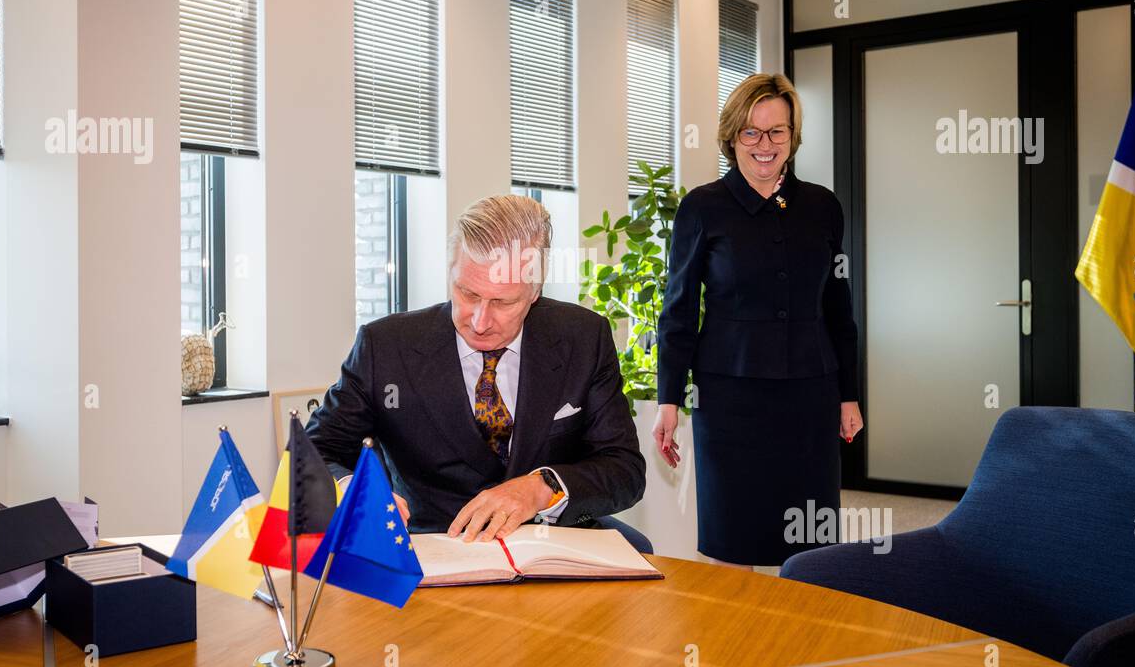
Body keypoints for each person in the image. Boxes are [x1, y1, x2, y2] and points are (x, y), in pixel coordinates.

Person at [305, 194, 651, 552]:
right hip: (435, 548)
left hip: (550, 547)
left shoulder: (583, 337)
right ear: (451, 272)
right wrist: (353, 490)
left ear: (535, 291)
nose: (480, 321)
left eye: (503, 302)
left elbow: (624, 469)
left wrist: (541, 487)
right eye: (467, 293)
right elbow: (314, 451)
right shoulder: (386, 346)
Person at [653, 73, 863, 568]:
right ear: (732, 137)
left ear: (793, 137)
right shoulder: (703, 208)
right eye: (751, 132)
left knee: (813, 539)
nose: (765, 145)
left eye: (778, 132)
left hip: (811, 393)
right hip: (730, 399)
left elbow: (838, 305)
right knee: (734, 535)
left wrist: (848, 394)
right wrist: (668, 400)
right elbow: (678, 309)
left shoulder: (822, 206)